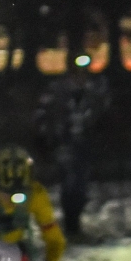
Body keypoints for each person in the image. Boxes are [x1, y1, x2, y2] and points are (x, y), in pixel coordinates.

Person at [35, 63, 109, 237]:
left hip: (84, 145)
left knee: (81, 186)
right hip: (63, 144)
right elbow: (41, 115)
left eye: (84, 74)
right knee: (69, 184)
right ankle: (71, 224)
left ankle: (75, 222)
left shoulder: (93, 93)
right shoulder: (56, 92)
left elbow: (102, 115)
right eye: (77, 74)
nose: (81, 78)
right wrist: (48, 139)